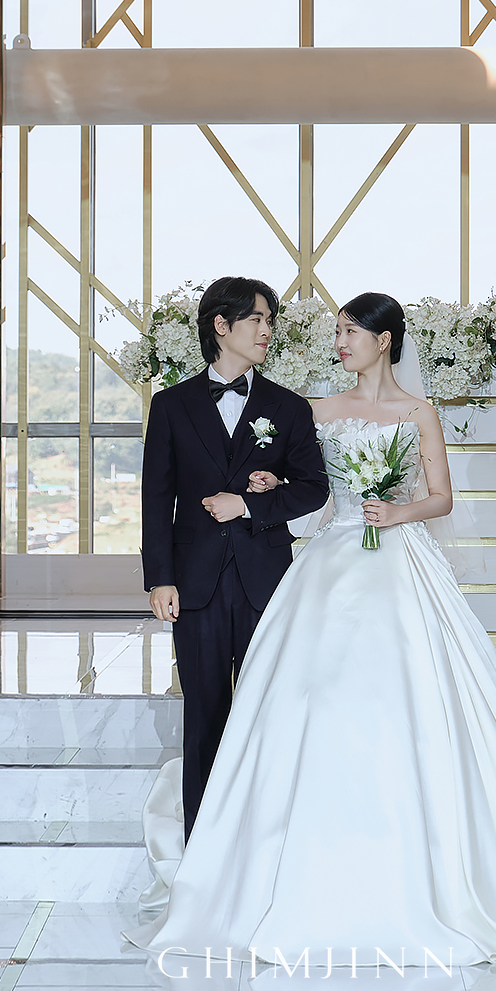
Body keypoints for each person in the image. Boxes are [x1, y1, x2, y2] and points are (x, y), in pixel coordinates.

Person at [128, 291, 496, 968]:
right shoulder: (311, 410)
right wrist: (268, 485)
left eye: (349, 332)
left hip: (398, 561)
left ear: (384, 340)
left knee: (405, 693)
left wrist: (395, 512)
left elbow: (441, 498)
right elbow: (309, 486)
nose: (338, 343)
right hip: (329, 561)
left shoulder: (416, 412)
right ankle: (235, 850)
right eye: (335, 332)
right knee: (300, 698)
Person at [141, 276, 330, 839]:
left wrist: (248, 504)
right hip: (194, 583)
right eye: (257, 319)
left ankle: (262, 835)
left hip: (264, 581)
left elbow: (314, 489)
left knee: (264, 709)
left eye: (270, 321)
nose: (267, 330)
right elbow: (156, 499)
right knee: (203, 712)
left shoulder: (288, 407)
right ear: (221, 326)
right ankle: (203, 838)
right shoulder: (171, 406)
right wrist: (159, 579)